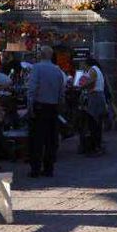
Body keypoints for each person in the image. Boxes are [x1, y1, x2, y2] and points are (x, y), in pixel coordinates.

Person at [26, 45, 67, 178]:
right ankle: (49, 168)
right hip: (53, 107)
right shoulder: (57, 70)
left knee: (37, 139)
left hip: (39, 106)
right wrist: (60, 105)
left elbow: (32, 88)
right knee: (51, 139)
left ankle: (35, 169)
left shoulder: (36, 68)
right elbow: (62, 91)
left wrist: (30, 106)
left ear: (41, 55)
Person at [77, 56, 108, 156]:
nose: (83, 67)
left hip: (95, 97)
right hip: (99, 96)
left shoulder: (93, 69)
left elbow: (91, 81)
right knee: (97, 122)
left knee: (93, 122)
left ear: (87, 64)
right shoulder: (98, 69)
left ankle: (95, 147)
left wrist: (82, 86)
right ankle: (97, 146)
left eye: (83, 65)